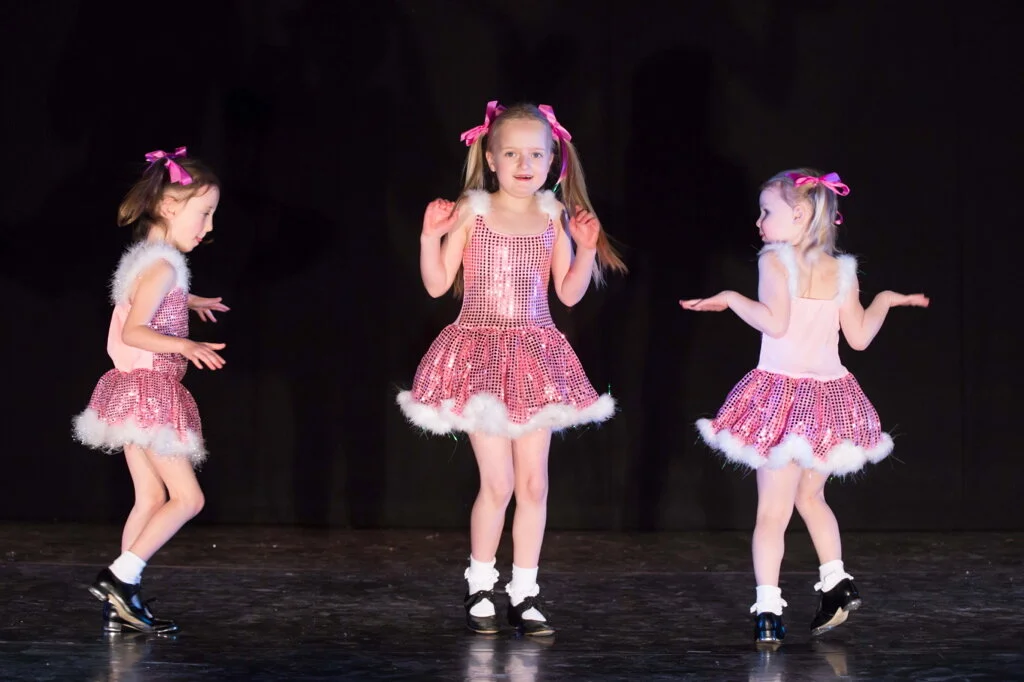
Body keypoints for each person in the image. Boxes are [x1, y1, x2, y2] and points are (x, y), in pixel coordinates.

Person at [397, 101, 626, 636]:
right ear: (492, 158)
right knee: (497, 482)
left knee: (534, 484)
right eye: (513, 153)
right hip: (479, 353)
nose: (525, 164)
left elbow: (568, 293)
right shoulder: (474, 211)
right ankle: (481, 583)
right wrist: (430, 235)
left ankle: (525, 591)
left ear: (554, 161)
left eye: (536, 155)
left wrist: (587, 250)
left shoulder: (552, 217)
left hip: (535, 357)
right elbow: (436, 284)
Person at [680, 169, 929, 645]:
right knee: (811, 498)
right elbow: (859, 338)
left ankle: (769, 612)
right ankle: (837, 582)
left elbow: (774, 325)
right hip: (830, 400)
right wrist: (885, 301)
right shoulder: (843, 270)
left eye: (766, 212)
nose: (759, 222)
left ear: (798, 215)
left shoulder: (775, 260)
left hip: (782, 398)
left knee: (772, 513)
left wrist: (732, 298)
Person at [73, 147, 228, 634]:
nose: (207, 227)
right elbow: (134, 331)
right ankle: (120, 579)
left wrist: (189, 299)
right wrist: (184, 342)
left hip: (129, 390)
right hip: (149, 392)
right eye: (203, 213)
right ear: (169, 207)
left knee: (148, 498)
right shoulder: (163, 268)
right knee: (188, 498)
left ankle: (121, 601)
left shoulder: (151, 263)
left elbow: (143, 301)